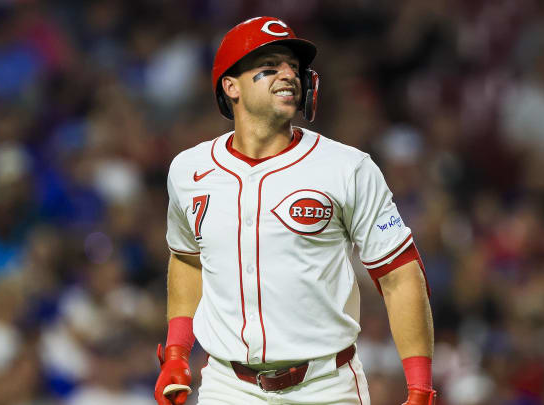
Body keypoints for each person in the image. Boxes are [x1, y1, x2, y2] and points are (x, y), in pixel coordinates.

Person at [154, 16, 436, 405]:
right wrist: (176, 353)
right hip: (227, 385)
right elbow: (187, 260)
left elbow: (400, 275)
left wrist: (420, 388)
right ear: (230, 87)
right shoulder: (189, 170)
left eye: (293, 67)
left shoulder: (347, 167)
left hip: (325, 385)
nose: (288, 74)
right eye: (269, 67)